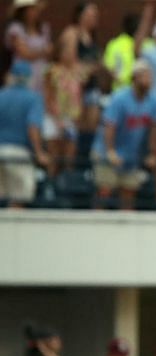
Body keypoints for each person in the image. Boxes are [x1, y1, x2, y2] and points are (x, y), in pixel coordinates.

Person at [91, 59, 156, 209]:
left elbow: (154, 128)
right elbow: (109, 126)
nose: (149, 80)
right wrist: (110, 151)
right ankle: (96, 223)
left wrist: (152, 153)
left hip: (131, 155)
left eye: (150, 76)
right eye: (145, 76)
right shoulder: (120, 98)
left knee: (129, 194)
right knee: (104, 190)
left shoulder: (153, 101)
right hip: (106, 151)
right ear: (135, 77)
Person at [0, 60, 51, 207]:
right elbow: (33, 127)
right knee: (19, 199)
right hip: (19, 153)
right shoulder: (33, 98)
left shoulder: (1, 95)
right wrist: (39, 152)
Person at [42, 39, 86, 173]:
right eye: (67, 51)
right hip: (53, 116)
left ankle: (66, 184)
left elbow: (80, 95)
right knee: (54, 154)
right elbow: (48, 95)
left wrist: (79, 116)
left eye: (73, 52)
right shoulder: (51, 70)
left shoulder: (78, 71)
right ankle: (50, 186)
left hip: (71, 117)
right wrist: (57, 119)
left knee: (69, 156)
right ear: (60, 53)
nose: (70, 55)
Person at [59, 1, 102, 133]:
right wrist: (89, 68)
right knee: (74, 124)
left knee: (91, 123)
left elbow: (98, 61)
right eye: (90, 14)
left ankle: (85, 150)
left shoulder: (92, 37)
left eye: (95, 15)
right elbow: (68, 61)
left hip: (91, 86)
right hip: (74, 87)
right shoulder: (72, 33)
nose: (94, 18)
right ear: (80, 15)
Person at [4, 0, 52, 93]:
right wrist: (43, 51)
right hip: (22, 75)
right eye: (29, 9)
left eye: (34, 8)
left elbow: (50, 51)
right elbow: (24, 53)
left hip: (41, 73)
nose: (33, 12)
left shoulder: (43, 28)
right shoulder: (15, 28)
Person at [102, 6, 154, 91]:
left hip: (137, 90)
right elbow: (109, 67)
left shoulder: (115, 43)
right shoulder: (149, 44)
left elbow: (109, 67)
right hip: (124, 90)